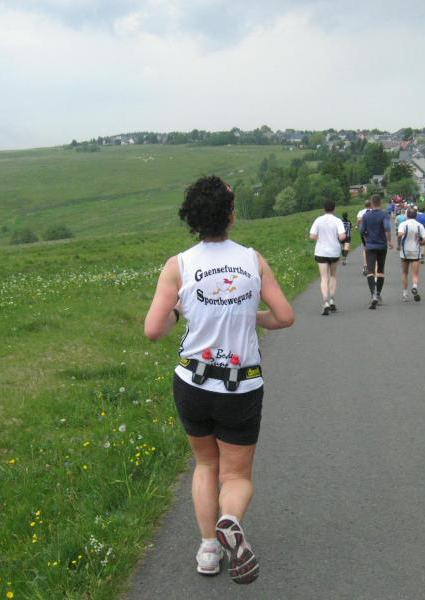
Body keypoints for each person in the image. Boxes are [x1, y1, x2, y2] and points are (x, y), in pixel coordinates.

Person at [144, 176, 294, 584]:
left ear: (191, 219)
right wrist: (251, 316)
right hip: (240, 385)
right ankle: (230, 520)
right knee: (237, 476)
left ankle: (209, 549)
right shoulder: (252, 260)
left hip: (192, 382)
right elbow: (284, 316)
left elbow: (153, 330)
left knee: (206, 464)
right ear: (230, 216)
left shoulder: (178, 265)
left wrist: (179, 311)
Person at [309, 199, 347, 315]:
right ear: (334, 209)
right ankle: (332, 300)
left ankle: (325, 301)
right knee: (333, 275)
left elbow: (312, 236)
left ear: (324, 209)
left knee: (324, 277)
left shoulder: (318, 220)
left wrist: (320, 238)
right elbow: (342, 237)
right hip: (334, 252)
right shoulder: (337, 221)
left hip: (321, 251)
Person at [359, 194, 393, 309]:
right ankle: (378, 294)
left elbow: (362, 231)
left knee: (370, 271)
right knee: (380, 270)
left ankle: (373, 294)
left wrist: (366, 238)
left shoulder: (366, 216)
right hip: (382, 246)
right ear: (381, 202)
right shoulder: (384, 215)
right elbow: (387, 228)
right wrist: (389, 241)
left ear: (371, 203)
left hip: (370, 246)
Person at [397, 206, 425, 302]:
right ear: (416, 215)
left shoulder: (403, 224)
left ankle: (405, 294)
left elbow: (399, 234)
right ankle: (414, 286)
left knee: (404, 272)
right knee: (415, 274)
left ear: (407, 215)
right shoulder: (419, 225)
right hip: (415, 251)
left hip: (405, 251)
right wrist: (422, 243)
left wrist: (399, 244)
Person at [356, 199, 371, 275]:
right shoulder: (373, 211)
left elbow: (358, 219)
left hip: (364, 231)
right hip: (372, 232)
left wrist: (357, 225)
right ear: (371, 204)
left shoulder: (361, 212)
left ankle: (365, 265)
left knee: (365, 248)